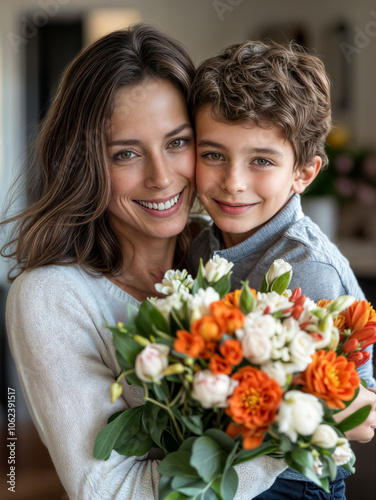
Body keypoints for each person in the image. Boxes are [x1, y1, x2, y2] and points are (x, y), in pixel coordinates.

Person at [1, 25, 288, 500]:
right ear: (85, 163)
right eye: (127, 153)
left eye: (177, 142)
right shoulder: (52, 297)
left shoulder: (232, 254)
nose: (161, 178)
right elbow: (112, 491)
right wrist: (295, 434)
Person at [188, 39, 376, 499]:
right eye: (213, 154)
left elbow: (364, 421)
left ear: (304, 173)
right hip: (229, 465)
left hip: (293, 483)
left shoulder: (307, 269)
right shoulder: (200, 243)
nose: (233, 182)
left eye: (261, 161)